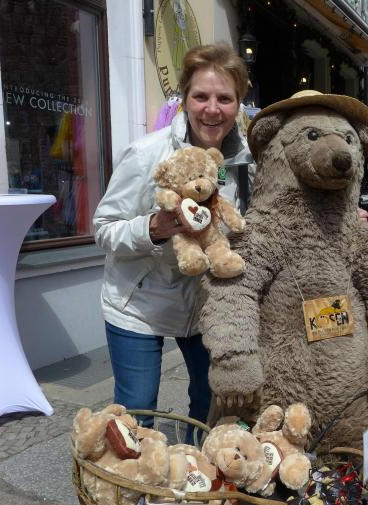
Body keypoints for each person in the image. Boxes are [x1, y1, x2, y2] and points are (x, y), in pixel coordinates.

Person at [93, 43, 252, 433]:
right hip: (138, 303)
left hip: (205, 305)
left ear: (238, 104)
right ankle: (134, 472)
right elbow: (104, 228)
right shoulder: (147, 153)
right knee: (137, 412)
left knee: (210, 403)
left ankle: (196, 465)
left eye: (224, 98)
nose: (212, 109)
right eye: (201, 96)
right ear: (184, 99)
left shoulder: (244, 162)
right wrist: (154, 228)